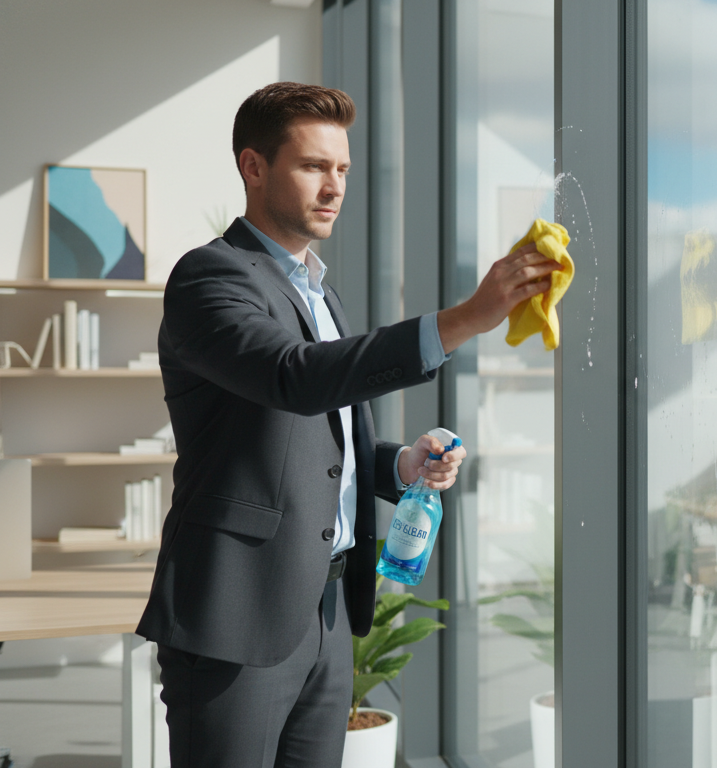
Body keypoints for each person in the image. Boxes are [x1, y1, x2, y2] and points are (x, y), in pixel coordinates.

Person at [135, 82, 560, 767]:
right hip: (236, 616)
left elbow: (321, 433)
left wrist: (399, 465)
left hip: (326, 612)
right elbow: (293, 377)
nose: (333, 187)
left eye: (342, 170)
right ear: (253, 166)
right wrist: (466, 318)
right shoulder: (208, 279)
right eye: (312, 166)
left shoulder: (318, 288)